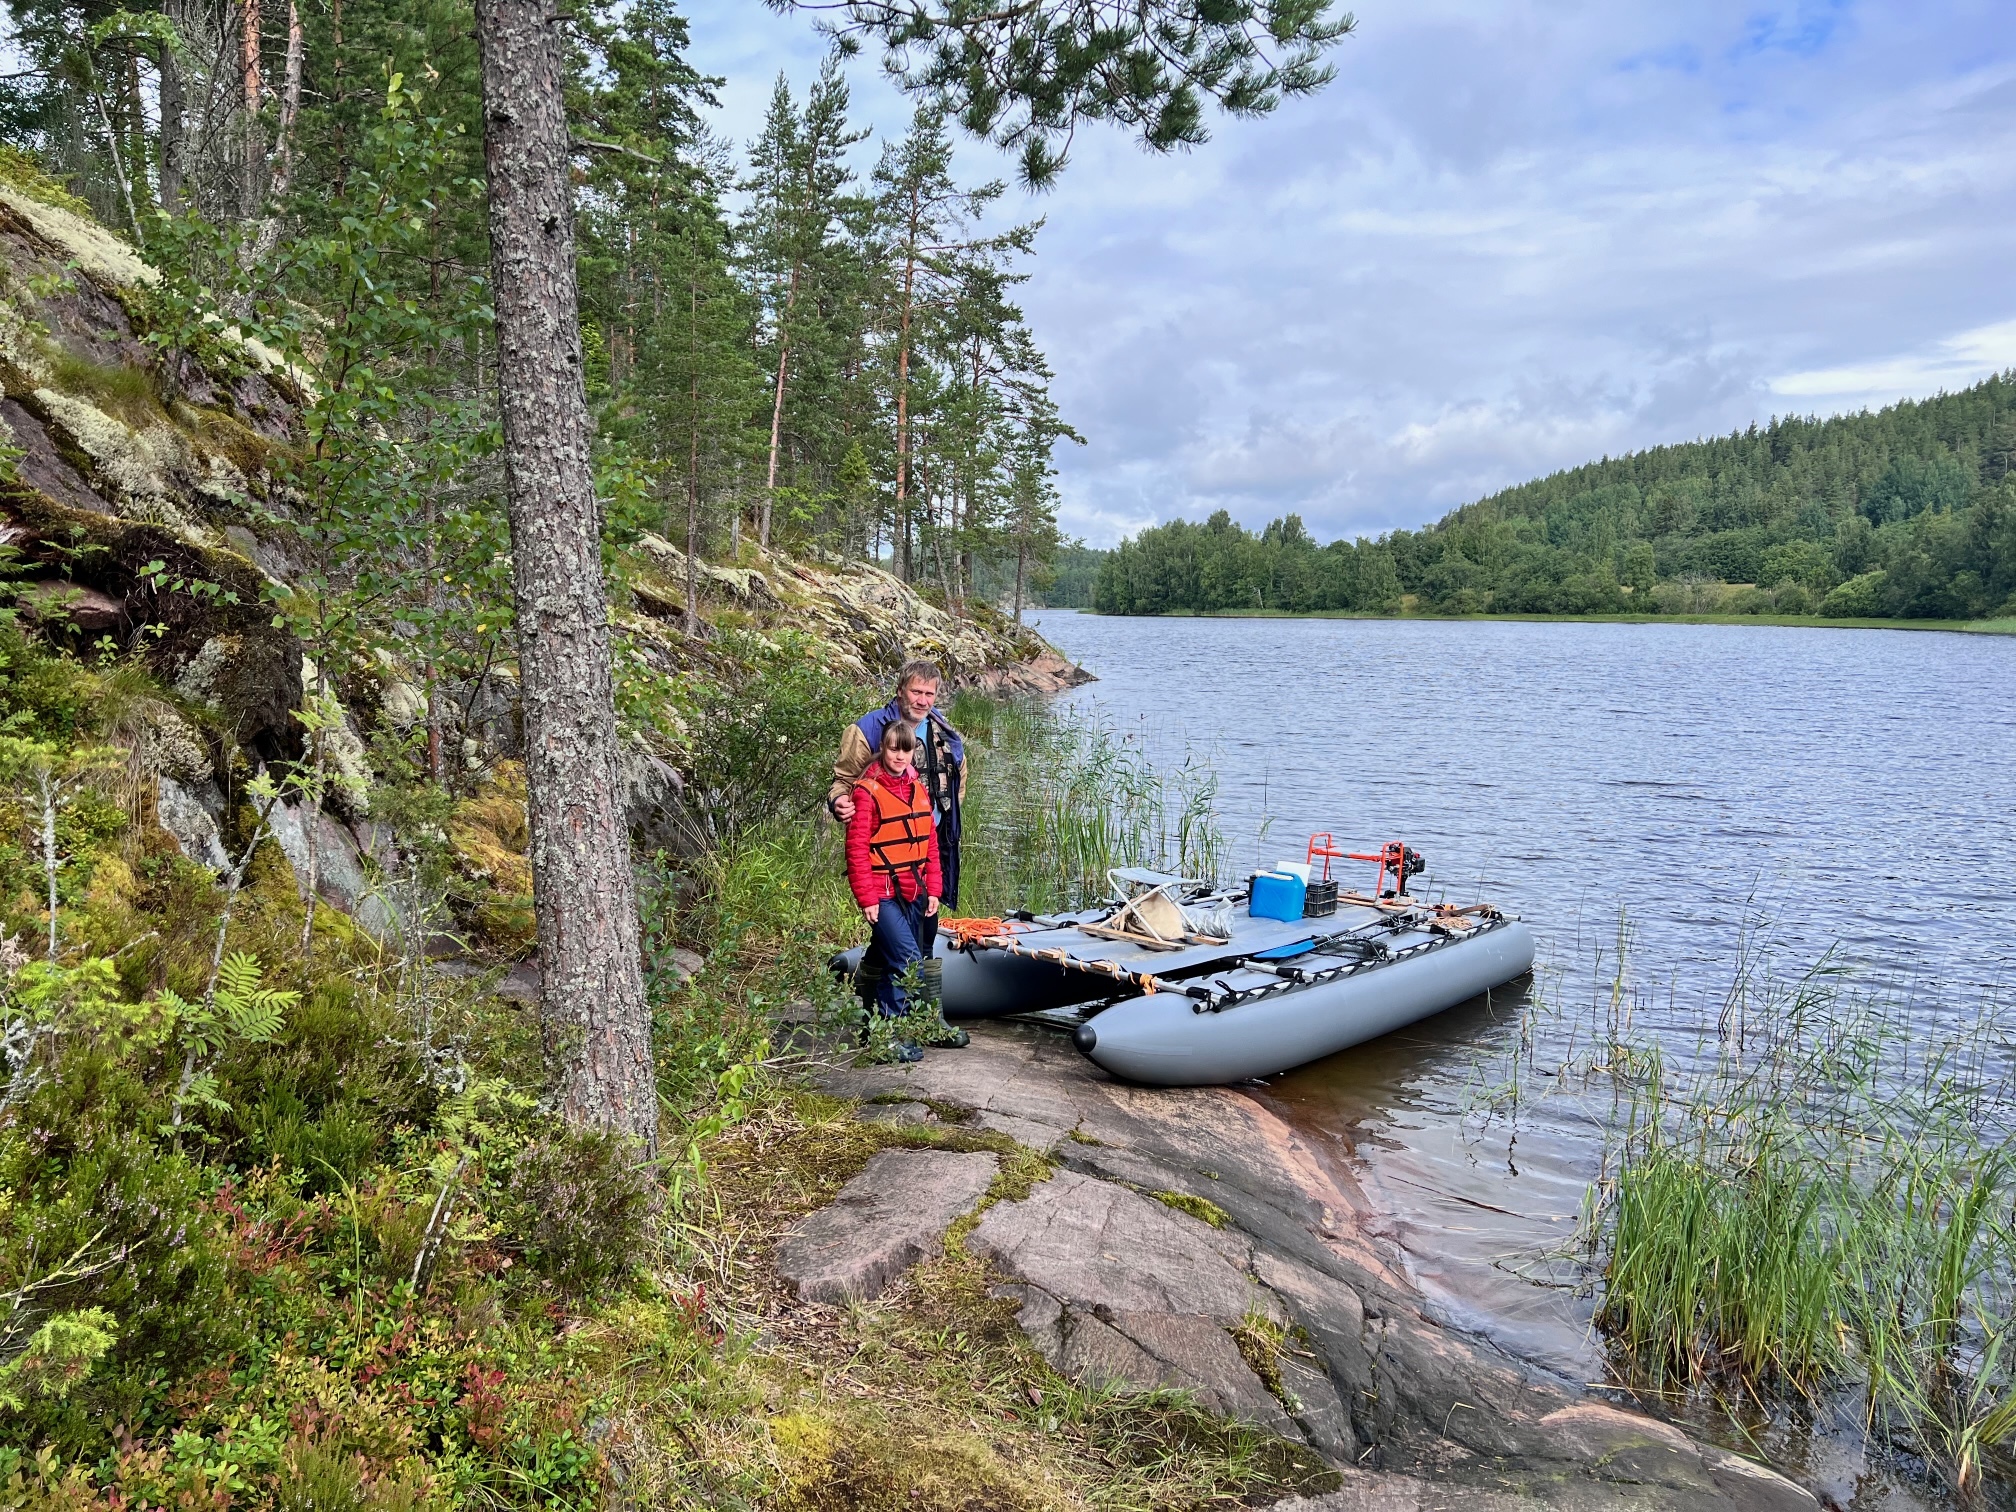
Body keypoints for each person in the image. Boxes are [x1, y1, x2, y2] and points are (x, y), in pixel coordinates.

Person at [845, 720, 943, 1064]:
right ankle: (886, 1037)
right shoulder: (867, 791)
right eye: (893, 748)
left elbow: (930, 841)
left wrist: (934, 888)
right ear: (883, 748)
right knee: (907, 960)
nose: (900, 756)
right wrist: (867, 898)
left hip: (914, 887)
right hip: (883, 891)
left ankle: (874, 1032)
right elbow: (856, 849)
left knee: (893, 961)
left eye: (907, 749)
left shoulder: (917, 786)